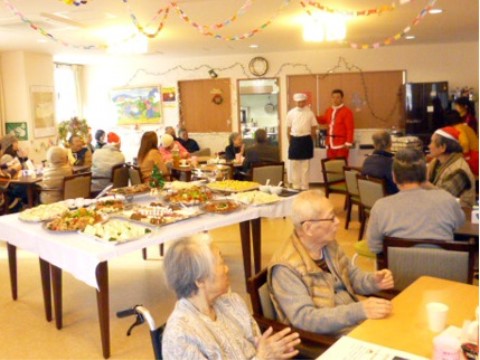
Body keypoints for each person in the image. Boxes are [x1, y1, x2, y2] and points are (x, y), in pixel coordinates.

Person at [268, 190, 394, 335]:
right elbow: (305, 319)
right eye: (331, 218)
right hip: (328, 338)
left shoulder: (328, 244)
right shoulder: (285, 267)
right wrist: (358, 311)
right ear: (308, 228)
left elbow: (352, 276)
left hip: (354, 325)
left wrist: (373, 281)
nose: (337, 222)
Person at [162, 235, 301, 359]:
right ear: (200, 281)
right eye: (221, 263)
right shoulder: (180, 336)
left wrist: (274, 350)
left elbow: (258, 345)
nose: (227, 269)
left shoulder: (232, 302)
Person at [367, 148, 465, 254]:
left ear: (394, 177)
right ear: (425, 175)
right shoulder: (447, 200)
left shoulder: (381, 206)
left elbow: (374, 247)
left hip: (398, 269)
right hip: (441, 268)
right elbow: (460, 224)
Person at [425, 126, 476, 208]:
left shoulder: (459, 170)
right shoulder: (436, 162)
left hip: (458, 217)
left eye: (432, 142)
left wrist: (422, 183)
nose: (429, 146)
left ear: (443, 147)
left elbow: (443, 198)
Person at [286, 93, 317, 190]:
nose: (301, 104)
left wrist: (312, 138)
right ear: (296, 102)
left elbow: (314, 127)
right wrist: (290, 140)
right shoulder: (291, 113)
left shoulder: (310, 113)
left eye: (303, 102)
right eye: (299, 102)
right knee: (294, 164)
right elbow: (288, 128)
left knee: (305, 165)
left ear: (305, 102)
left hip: (306, 138)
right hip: (295, 139)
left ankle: (305, 185)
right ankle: (296, 185)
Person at [317, 89, 354, 159]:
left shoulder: (347, 111)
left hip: (342, 144)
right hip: (330, 144)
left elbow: (350, 128)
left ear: (342, 98)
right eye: (333, 97)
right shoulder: (329, 110)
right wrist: (313, 116)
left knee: (340, 166)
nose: (335, 99)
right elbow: (323, 120)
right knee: (330, 166)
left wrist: (348, 142)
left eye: (337, 97)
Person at [361, 130, 398, 195]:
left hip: (368, 196)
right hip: (387, 200)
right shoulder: (391, 163)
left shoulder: (367, 160)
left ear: (374, 144)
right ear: (390, 143)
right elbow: (395, 188)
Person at [445, 110, 479, 176]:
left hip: (473, 159)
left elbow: (465, 143)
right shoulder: (465, 127)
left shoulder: (458, 128)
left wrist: (464, 157)